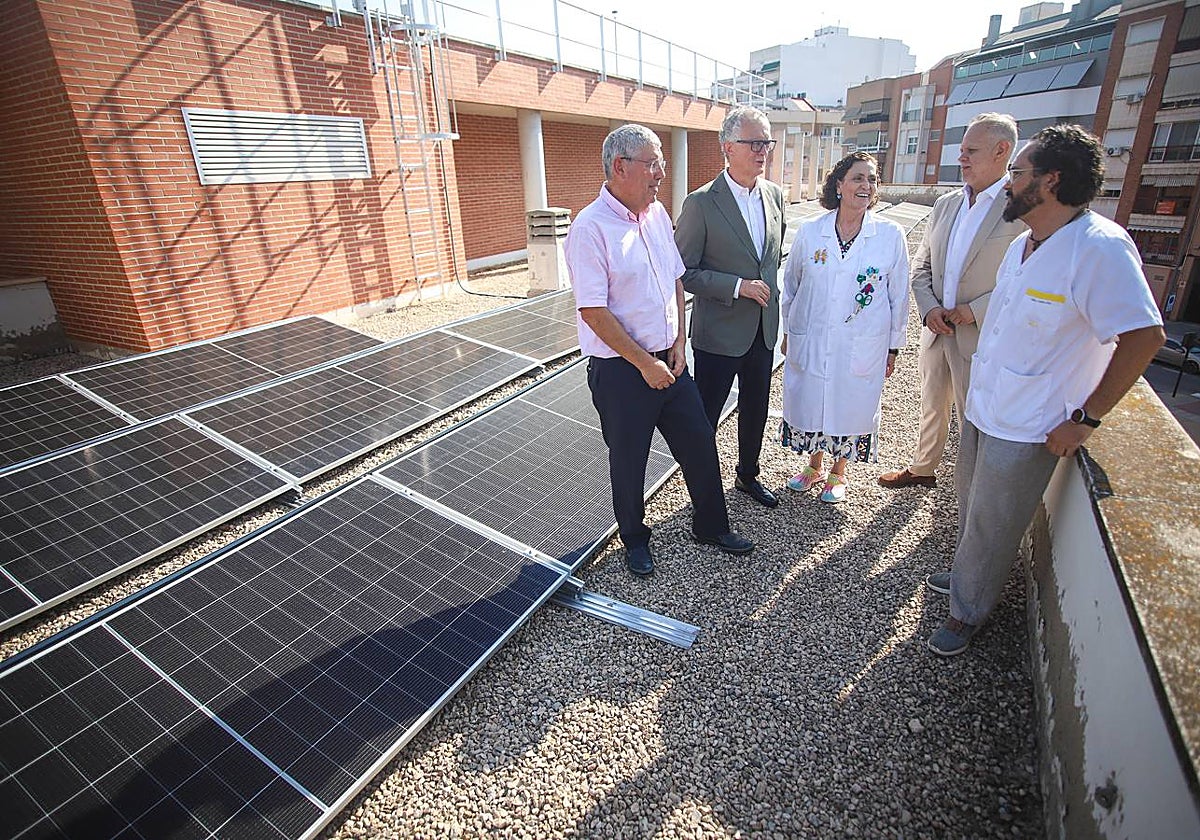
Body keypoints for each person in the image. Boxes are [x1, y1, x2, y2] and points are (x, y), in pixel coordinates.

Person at [926, 125, 1165, 656]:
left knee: (995, 518)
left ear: (1051, 181)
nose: (1008, 184)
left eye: (1017, 173)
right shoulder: (1025, 242)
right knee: (971, 503)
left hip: (1032, 419)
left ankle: (968, 613)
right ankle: (968, 576)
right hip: (987, 404)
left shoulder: (1099, 248)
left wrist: (1086, 418)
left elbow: (1145, 335)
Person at [564, 123, 754, 577]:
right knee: (628, 460)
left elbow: (674, 279)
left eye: (662, 164)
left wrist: (678, 343)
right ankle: (634, 539)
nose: (660, 174)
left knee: (700, 443)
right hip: (622, 371)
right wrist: (644, 363)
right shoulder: (590, 229)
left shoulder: (655, 215)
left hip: (670, 360)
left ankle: (711, 526)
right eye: (652, 165)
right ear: (620, 166)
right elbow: (594, 312)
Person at [878, 113, 1025, 490]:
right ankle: (923, 469)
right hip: (938, 328)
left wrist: (973, 311)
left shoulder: (1022, 209)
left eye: (971, 151)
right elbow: (922, 263)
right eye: (961, 151)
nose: (962, 159)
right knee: (932, 405)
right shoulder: (945, 205)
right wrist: (928, 309)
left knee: (973, 419)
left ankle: (972, 491)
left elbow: (1023, 281)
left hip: (981, 337)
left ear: (1002, 151)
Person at [779, 151, 909, 503]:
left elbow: (899, 296)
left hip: (862, 341)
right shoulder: (811, 233)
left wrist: (894, 347)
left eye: (872, 180)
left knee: (849, 402)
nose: (865, 186)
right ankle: (813, 464)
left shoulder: (889, 235)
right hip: (813, 335)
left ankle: (838, 472)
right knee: (813, 398)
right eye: (857, 178)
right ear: (839, 185)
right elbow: (790, 287)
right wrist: (789, 333)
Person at [675, 106, 786, 509]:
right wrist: (737, 286)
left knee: (756, 408)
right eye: (754, 143)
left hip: (762, 328)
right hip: (718, 333)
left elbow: (771, 260)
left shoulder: (775, 196)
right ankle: (703, 493)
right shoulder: (701, 203)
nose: (763, 151)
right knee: (705, 417)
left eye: (766, 142)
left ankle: (747, 475)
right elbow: (684, 272)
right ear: (728, 148)